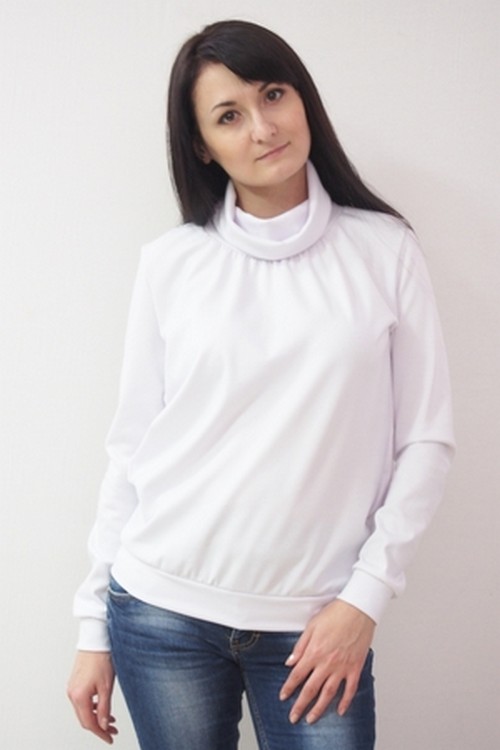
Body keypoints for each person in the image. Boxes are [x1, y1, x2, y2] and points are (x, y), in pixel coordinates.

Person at [67, 19, 454, 750]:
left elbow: (426, 442)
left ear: (303, 99)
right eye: (228, 115)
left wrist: (364, 600)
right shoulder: (172, 263)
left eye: (273, 94)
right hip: (160, 612)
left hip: (316, 627)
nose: (263, 127)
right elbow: (133, 448)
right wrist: (93, 625)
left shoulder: (385, 250)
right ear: (201, 147)